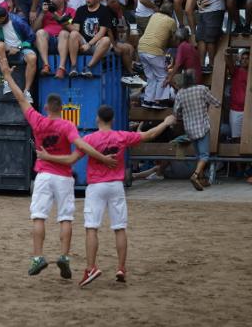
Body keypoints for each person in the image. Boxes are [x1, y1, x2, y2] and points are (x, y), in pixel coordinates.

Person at [0, 59, 117, 279]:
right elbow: (81, 146)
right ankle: (64, 257)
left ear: (46, 107)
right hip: (63, 177)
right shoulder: (68, 125)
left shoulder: (38, 121)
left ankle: (37, 257)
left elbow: (21, 98)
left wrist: (7, 75)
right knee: (65, 219)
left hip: (43, 174)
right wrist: (102, 157)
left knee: (39, 217)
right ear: (61, 109)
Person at [37, 105, 177, 286]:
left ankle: (91, 268)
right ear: (112, 119)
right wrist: (166, 122)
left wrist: (47, 157)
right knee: (119, 227)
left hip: (96, 186)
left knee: (92, 228)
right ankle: (120, 268)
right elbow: (149, 135)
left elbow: (70, 160)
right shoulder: (121, 136)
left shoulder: (90, 139)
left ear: (97, 119)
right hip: (116, 186)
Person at [173, 69, 221, 191]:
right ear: (194, 79)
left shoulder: (180, 93)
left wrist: (182, 115)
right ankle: (195, 176)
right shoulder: (202, 89)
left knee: (198, 155)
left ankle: (202, 179)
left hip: (189, 129)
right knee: (204, 155)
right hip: (202, 126)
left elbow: (176, 112)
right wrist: (219, 104)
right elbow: (215, 103)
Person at [0, 5, 37, 103]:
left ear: (2, 18)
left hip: (21, 49)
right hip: (5, 52)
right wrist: (6, 48)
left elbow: (31, 37)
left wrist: (18, 48)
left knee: (32, 58)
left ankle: (27, 91)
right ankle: (7, 80)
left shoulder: (18, 21)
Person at [138, 1, 177, 109]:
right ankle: (159, 101)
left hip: (141, 48)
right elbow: (175, 38)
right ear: (171, 12)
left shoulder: (154, 15)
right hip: (154, 50)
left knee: (150, 77)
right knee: (162, 76)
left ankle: (147, 100)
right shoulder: (171, 21)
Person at [67, 0, 112, 78]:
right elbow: (76, 29)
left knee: (106, 39)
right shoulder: (80, 10)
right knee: (73, 34)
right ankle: (73, 67)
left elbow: (101, 32)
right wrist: (65, 23)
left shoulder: (105, 10)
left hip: (96, 45)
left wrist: (89, 44)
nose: (87, 0)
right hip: (82, 43)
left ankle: (88, 67)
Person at [32, 0, 75, 77]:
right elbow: (34, 29)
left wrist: (58, 17)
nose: (51, 0)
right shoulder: (45, 11)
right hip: (47, 42)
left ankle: (61, 68)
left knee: (64, 33)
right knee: (40, 32)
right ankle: (46, 65)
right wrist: (42, 13)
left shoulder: (71, 11)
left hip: (63, 41)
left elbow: (71, 28)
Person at [107, 0, 140, 83]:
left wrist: (133, 43)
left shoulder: (129, 15)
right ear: (113, 2)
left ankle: (132, 68)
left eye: (122, 6)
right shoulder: (109, 12)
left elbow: (134, 31)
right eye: (120, 5)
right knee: (127, 48)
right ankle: (130, 70)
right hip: (113, 41)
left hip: (125, 40)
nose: (121, 8)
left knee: (132, 48)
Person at [225, 50, 249, 142]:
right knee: (236, 138)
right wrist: (228, 55)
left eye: (247, 59)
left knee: (248, 137)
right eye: (243, 58)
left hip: (249, 110)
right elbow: (230, 64)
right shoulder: (236, 71)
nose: (244, 60)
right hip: (236, 110)